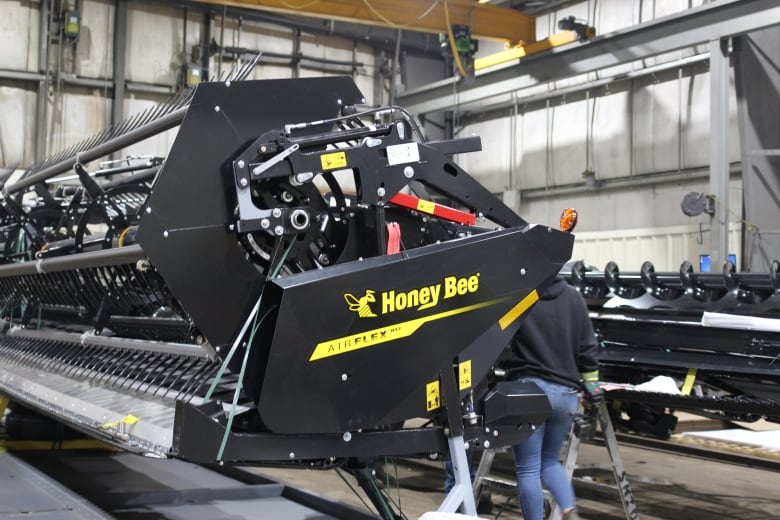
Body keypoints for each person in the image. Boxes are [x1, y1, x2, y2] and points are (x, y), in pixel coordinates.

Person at [500, 275, 601, 520]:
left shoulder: (521, 296)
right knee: (550, 461)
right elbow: (588, 349)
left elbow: (499, 341)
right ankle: (569, 510)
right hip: (566, 394)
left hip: (529, 391)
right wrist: (592, 388)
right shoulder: (574, 297)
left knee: (528, 468)